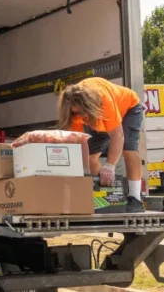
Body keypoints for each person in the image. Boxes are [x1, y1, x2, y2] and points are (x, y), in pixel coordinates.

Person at [57, 77, 146, 213]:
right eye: (76, 113)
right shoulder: (72, 111)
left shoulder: (103, 99)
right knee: (91, 158)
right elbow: (82, 140)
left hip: (128, 109)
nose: (80, 116)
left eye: (81, 112)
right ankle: (100, 197)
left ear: (87, 105)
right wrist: (85, 172)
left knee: (128, 149)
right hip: (99, 119)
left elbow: (118, 135)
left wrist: (110, 166)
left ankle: (135, 198)